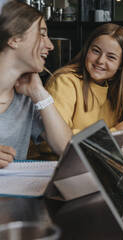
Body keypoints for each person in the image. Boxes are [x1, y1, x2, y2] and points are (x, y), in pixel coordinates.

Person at [45, 23, 123, 143]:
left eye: (111, 57)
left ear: (121, 65)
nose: (100, 60)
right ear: (86, 50)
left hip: (95, 157)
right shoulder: (65, 82)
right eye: (96, 51)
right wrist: (114, 134)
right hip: (55, 160)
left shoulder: (119, 86)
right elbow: (57, 138)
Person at [0, 1, 71, 168]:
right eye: (42, 34)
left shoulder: (27, 99)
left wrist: (40, 94)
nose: (50, 45)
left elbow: (66, 148)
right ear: (15, 39)